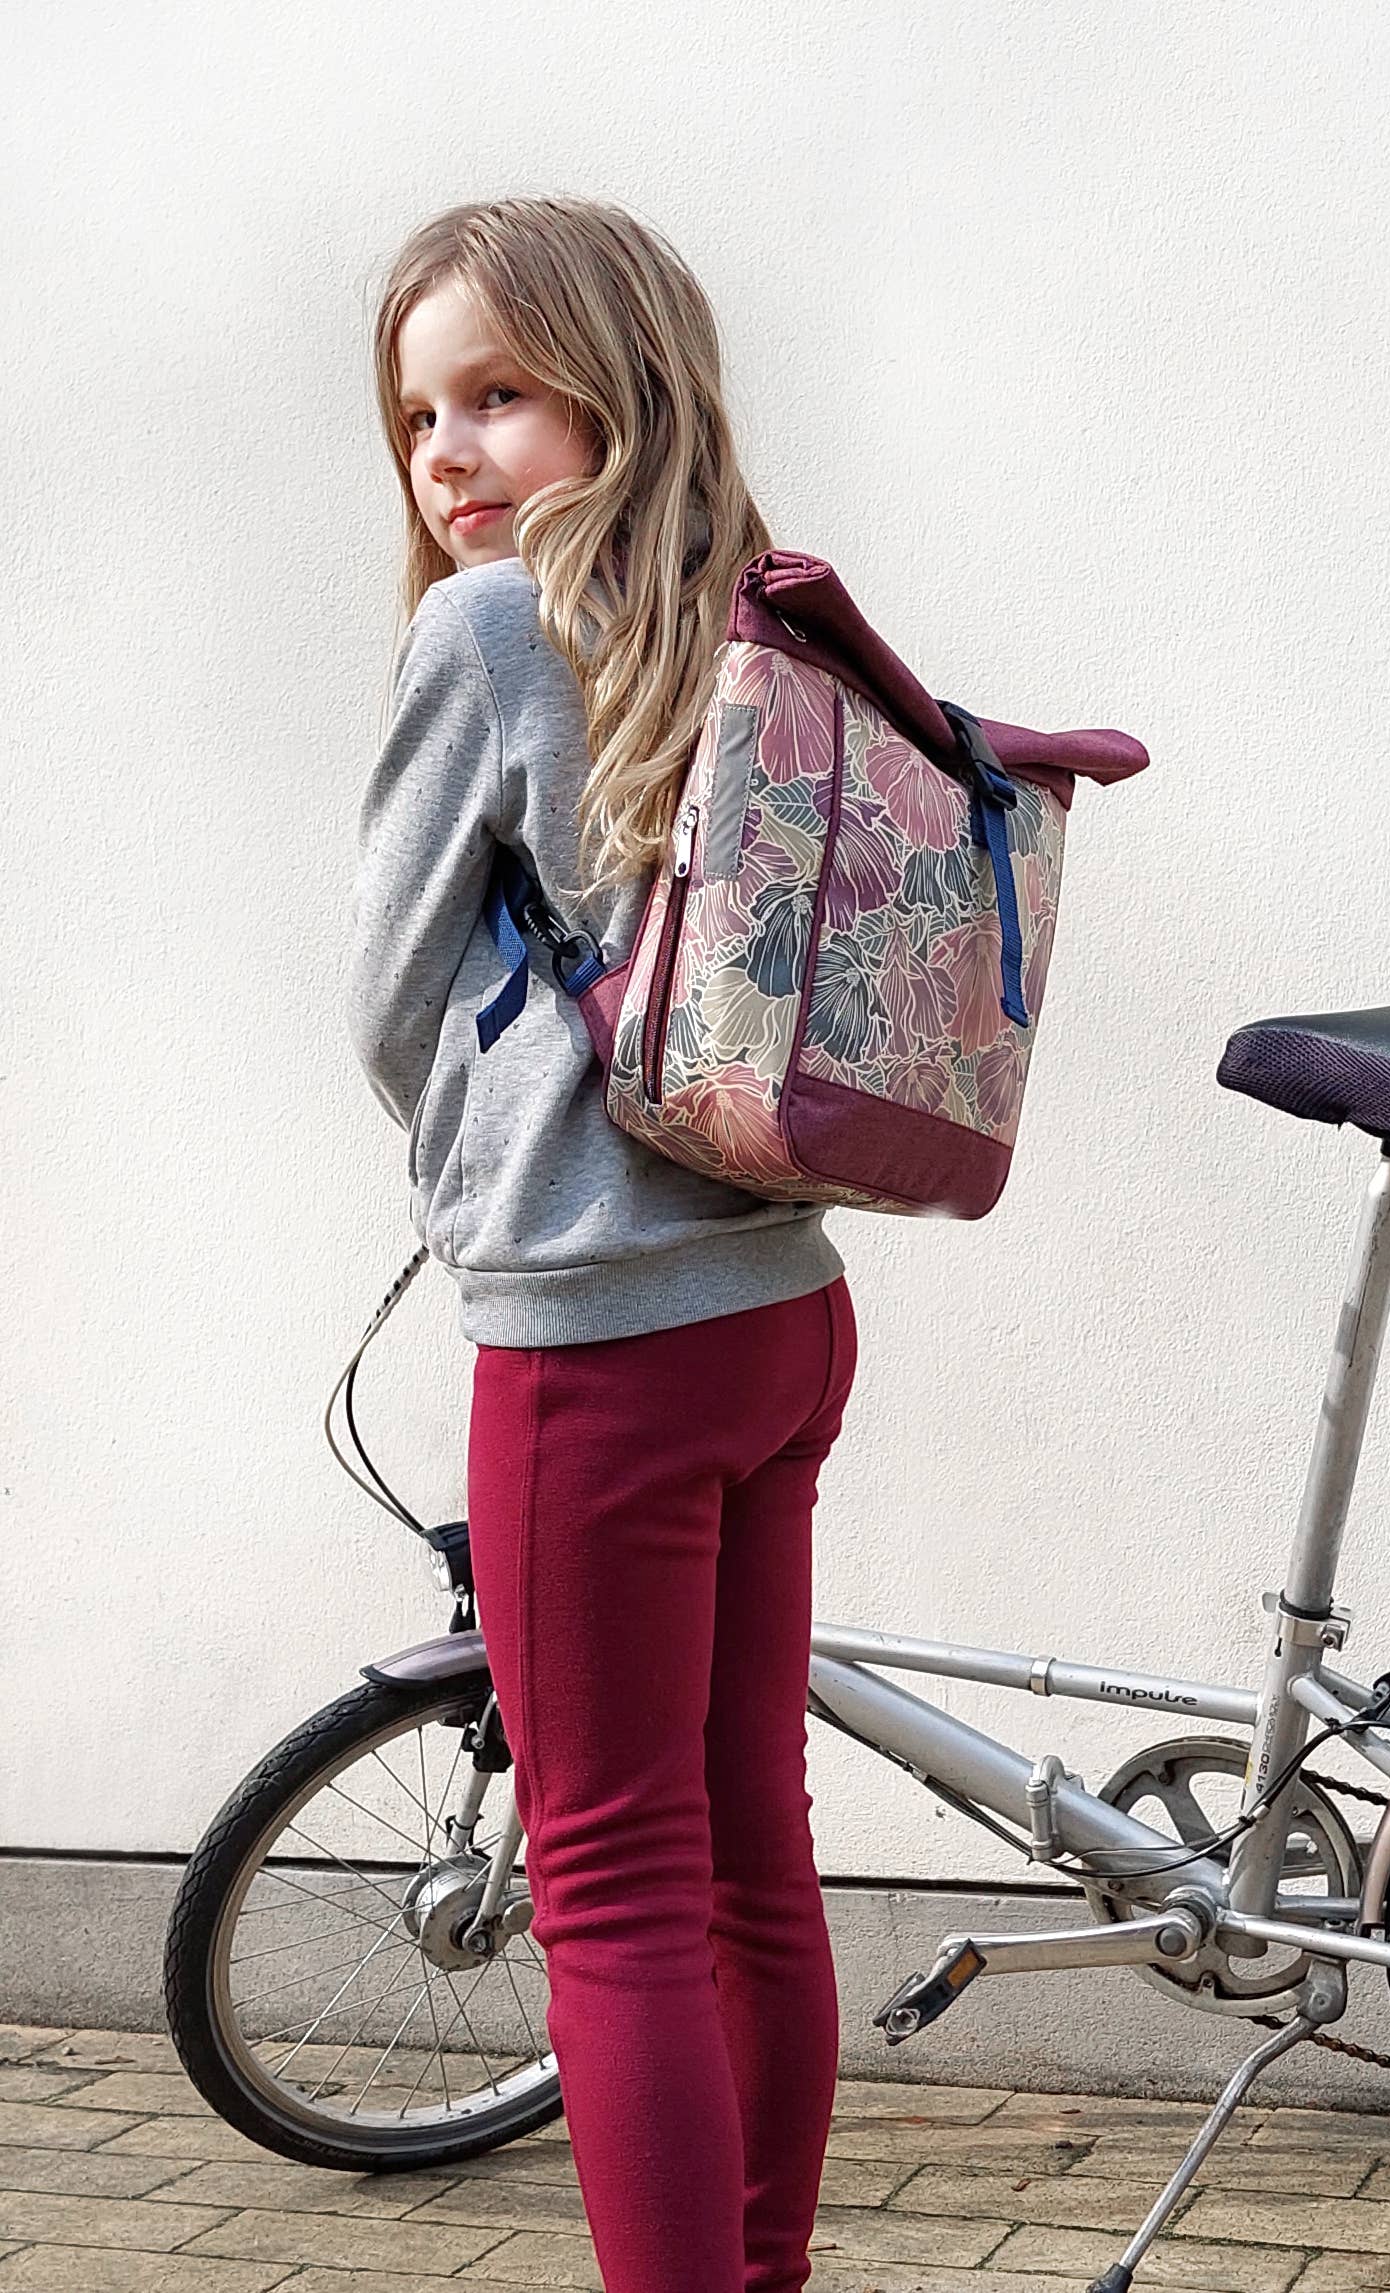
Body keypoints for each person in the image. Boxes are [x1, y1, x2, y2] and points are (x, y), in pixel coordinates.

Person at [344, 196, 853, 2293]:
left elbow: (387, 995)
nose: (448, 452)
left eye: (499, 394)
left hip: (593, 1329)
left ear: (620, 395)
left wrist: (475, 1160)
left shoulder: (485, 631)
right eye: (418, 415)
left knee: (616, 1888)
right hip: (782, 1303)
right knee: (749, 1859)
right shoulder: (763, 601)